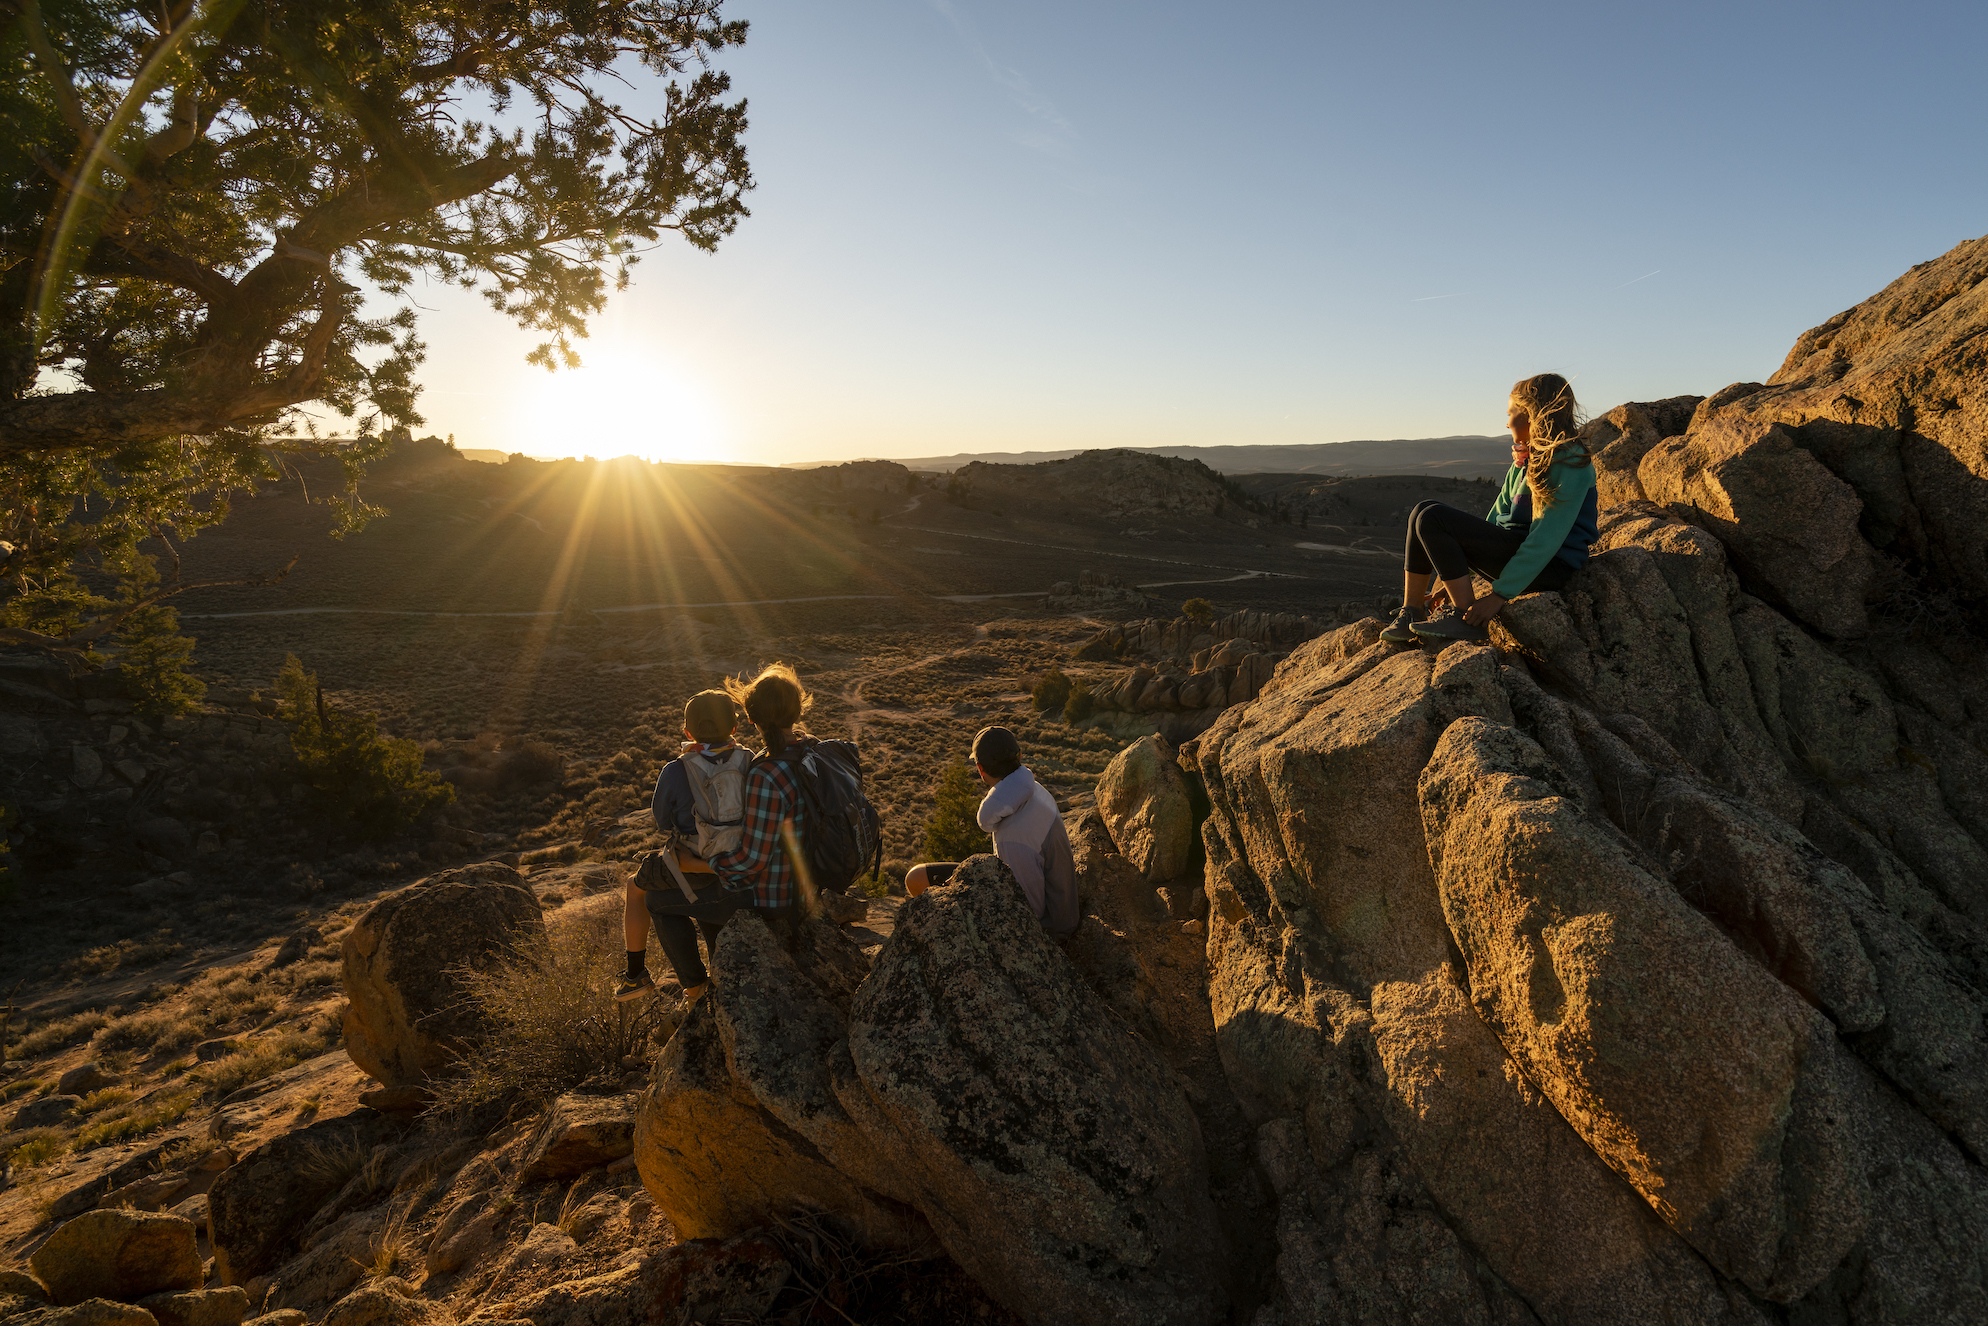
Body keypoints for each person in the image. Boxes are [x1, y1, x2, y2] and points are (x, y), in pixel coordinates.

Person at [1379, 372, 1598, 645]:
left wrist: (1497, 597)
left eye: (1511, 414)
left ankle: (1467, 620)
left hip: (1552, 567)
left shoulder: (1569, 463)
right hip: (1517, 553)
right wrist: (1452, 583)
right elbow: (1495, 522)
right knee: (1422, 511)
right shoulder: (1525, 459)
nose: (1507, 423)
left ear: (1530, 415)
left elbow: (1546, 539)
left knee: (1433, 518)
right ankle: (1412, 610)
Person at [617, 689, 754, 1002]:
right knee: (694, 894)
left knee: (638, 889)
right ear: (735, 727)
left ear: (687, 732)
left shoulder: (676, 769)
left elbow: (662, 821)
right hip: (740, 861)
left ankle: (639, 975)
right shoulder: (751, 761)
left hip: (693, 860)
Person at [905, 726, 1080, 939]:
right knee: (918, 876)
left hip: (1048, 928)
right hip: (1039, 900)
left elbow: (1029, 910)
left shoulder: (1013, 835)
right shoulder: (1033, 790)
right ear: (1019, 756)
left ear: (980, 769)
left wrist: (971, 887)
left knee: (917, 882)